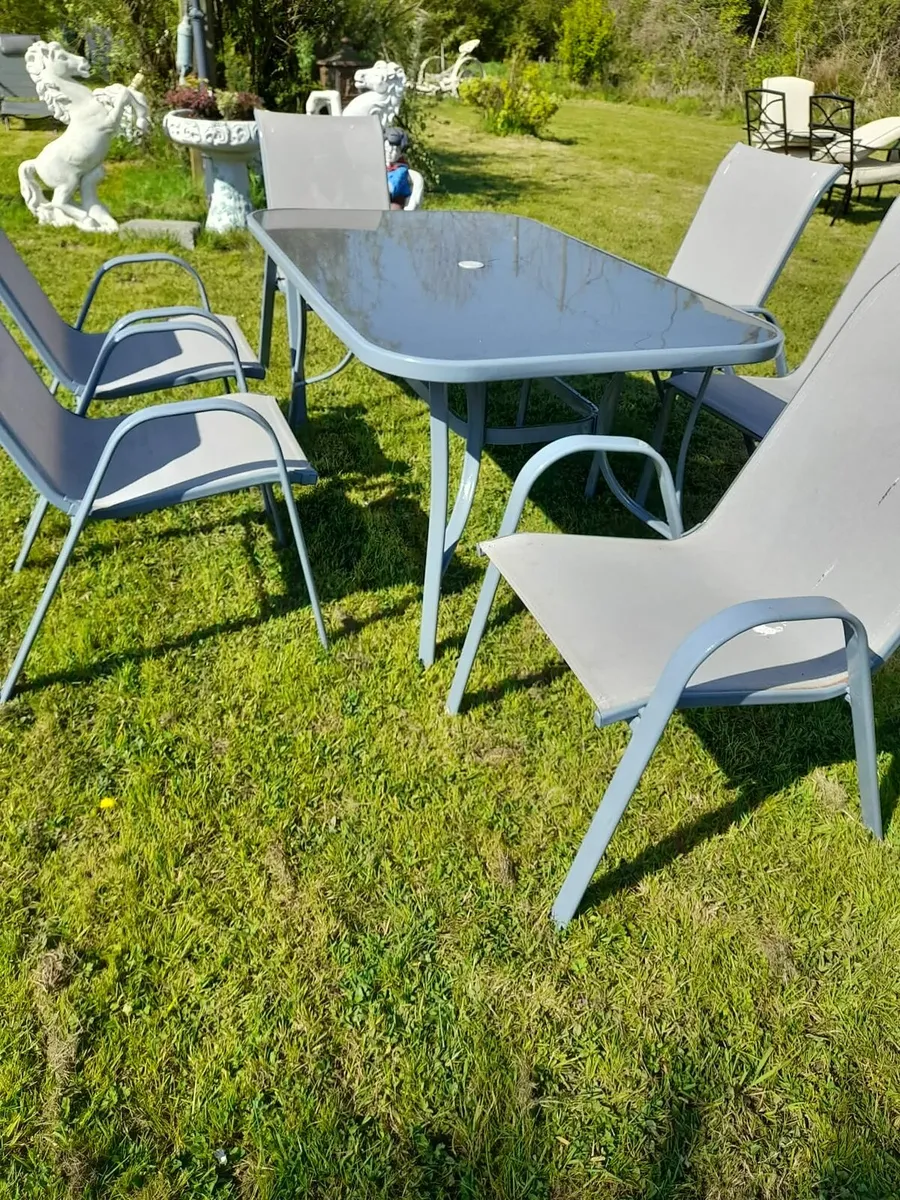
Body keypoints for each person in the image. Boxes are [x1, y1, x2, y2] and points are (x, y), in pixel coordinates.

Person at [385, 126, 413, 209]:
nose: (390, 152)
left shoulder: (401, 170)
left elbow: (391, 188)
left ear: (400, 153)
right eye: (387, 148)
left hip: (394, 200)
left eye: (395, 150)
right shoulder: (378, 164)